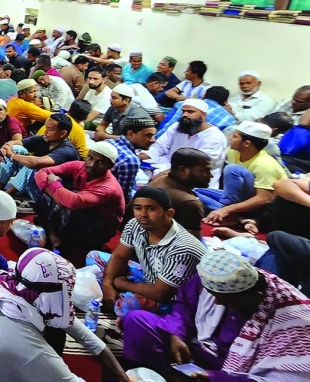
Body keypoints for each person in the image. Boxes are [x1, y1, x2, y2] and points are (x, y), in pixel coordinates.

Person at [121, 250, 310, 381]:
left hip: (234, 371)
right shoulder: (214, 280)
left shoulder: (292, 319)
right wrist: (176, 334)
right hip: (196, 348)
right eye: (217, 298)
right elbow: (183, 306)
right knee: (137, 320)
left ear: (254, 296)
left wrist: (213, 378)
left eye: (227, 301)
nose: (218, 303)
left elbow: (280, 377)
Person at [0, 248, 130, 382]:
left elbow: (64, 317)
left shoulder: (4, 283)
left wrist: (107, 357)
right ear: (49, 295)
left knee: (57, 329)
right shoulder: (22, 344)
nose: (67, 298)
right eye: (65, 292)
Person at [94, 187, 207, 316]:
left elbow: (162, 294)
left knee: (127, 306)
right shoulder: (135, 225)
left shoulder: (183, 248)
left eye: (151, 209)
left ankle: (116, 299)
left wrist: (121, 283)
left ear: (169, 213)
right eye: (137, 208)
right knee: (94, 257)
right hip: (149, 279)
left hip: (174, 299)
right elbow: (119, 255)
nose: (143, 214)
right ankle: (113, 295)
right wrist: (108, 284)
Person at [32, 141, 125, 251]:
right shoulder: (79, 166)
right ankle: (53, 233)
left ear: (110, 166)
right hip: (79, 213)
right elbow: (42, 172)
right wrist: (53, 193)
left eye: (100, 162)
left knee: (71, 200)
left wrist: (54, 185)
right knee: (44, 187)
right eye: (90, 158)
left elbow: (74, 202)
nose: (91, 164)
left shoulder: (109, 187)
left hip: (98, 229)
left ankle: (60, 236)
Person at [197, 121, 287, 227]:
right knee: (193, 192)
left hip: (265, 210)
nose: (230, 138)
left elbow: (264, 199)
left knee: (232, 169)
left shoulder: (265, 164)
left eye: (235, 136)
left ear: (247, 143)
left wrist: (227, 209)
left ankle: (228, 213)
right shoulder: (234, 152)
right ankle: (238, 218)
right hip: (240, 200)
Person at [141, 99, 229, 187]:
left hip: (195, 181)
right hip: (166, 169)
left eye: (190, 112)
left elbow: (195, 165)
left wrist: (161, 176)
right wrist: (139, 157)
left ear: (203, 115)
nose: (185, 115)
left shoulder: (215, 137)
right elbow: (160, 147)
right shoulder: (177, 127)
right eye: (183, 111)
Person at [0, 113, 80, 196]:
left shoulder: (67, 150)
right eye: (46, 127)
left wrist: (11, 155)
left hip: (55, 190)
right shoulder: (44, 139)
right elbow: (13, 143)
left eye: (50, 129)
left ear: (63, 133)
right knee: (16, 149)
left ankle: (7, 196)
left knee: (33, 166)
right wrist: (4, 150)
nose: (46, 132)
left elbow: (35, 163)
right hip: (36, 181)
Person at [107, 117, 157, 203]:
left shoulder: (109, 141)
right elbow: (123, 195)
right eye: (148, 135)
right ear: (130, 134)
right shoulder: (130, 161)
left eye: (153, 135)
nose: (153, 140)